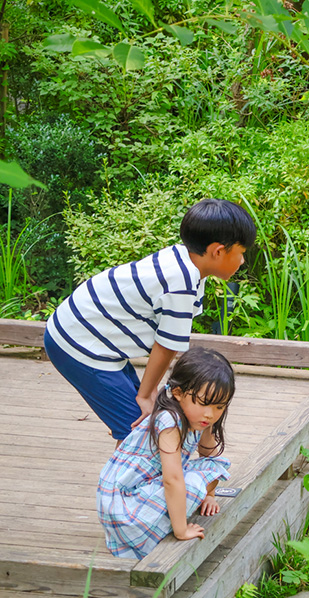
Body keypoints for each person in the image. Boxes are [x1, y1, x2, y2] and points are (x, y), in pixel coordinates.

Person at [43, 198, 256, 442]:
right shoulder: (181, 284)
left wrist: (150, 391)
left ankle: (128, 475)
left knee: (140, 421)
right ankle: (122, 481)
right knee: (139, 430)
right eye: (241, 253)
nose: (242, 261)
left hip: (82, 331)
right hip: (79, 345)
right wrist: (146, 395)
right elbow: (166, 345)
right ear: (218, 251)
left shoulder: (185, 261)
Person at [96, 347, 235, 559]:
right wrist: (181, 531)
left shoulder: (202, 418)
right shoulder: (169, 420)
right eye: (204, 403)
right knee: (187, 483)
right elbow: (172, 479)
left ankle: (170, 517)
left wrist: (210, 495)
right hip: (126, 508)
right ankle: (168, 527)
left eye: (219, 406)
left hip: (139, 493)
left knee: (215, 466)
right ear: (178, 393)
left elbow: (210, 457)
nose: (211, 413)